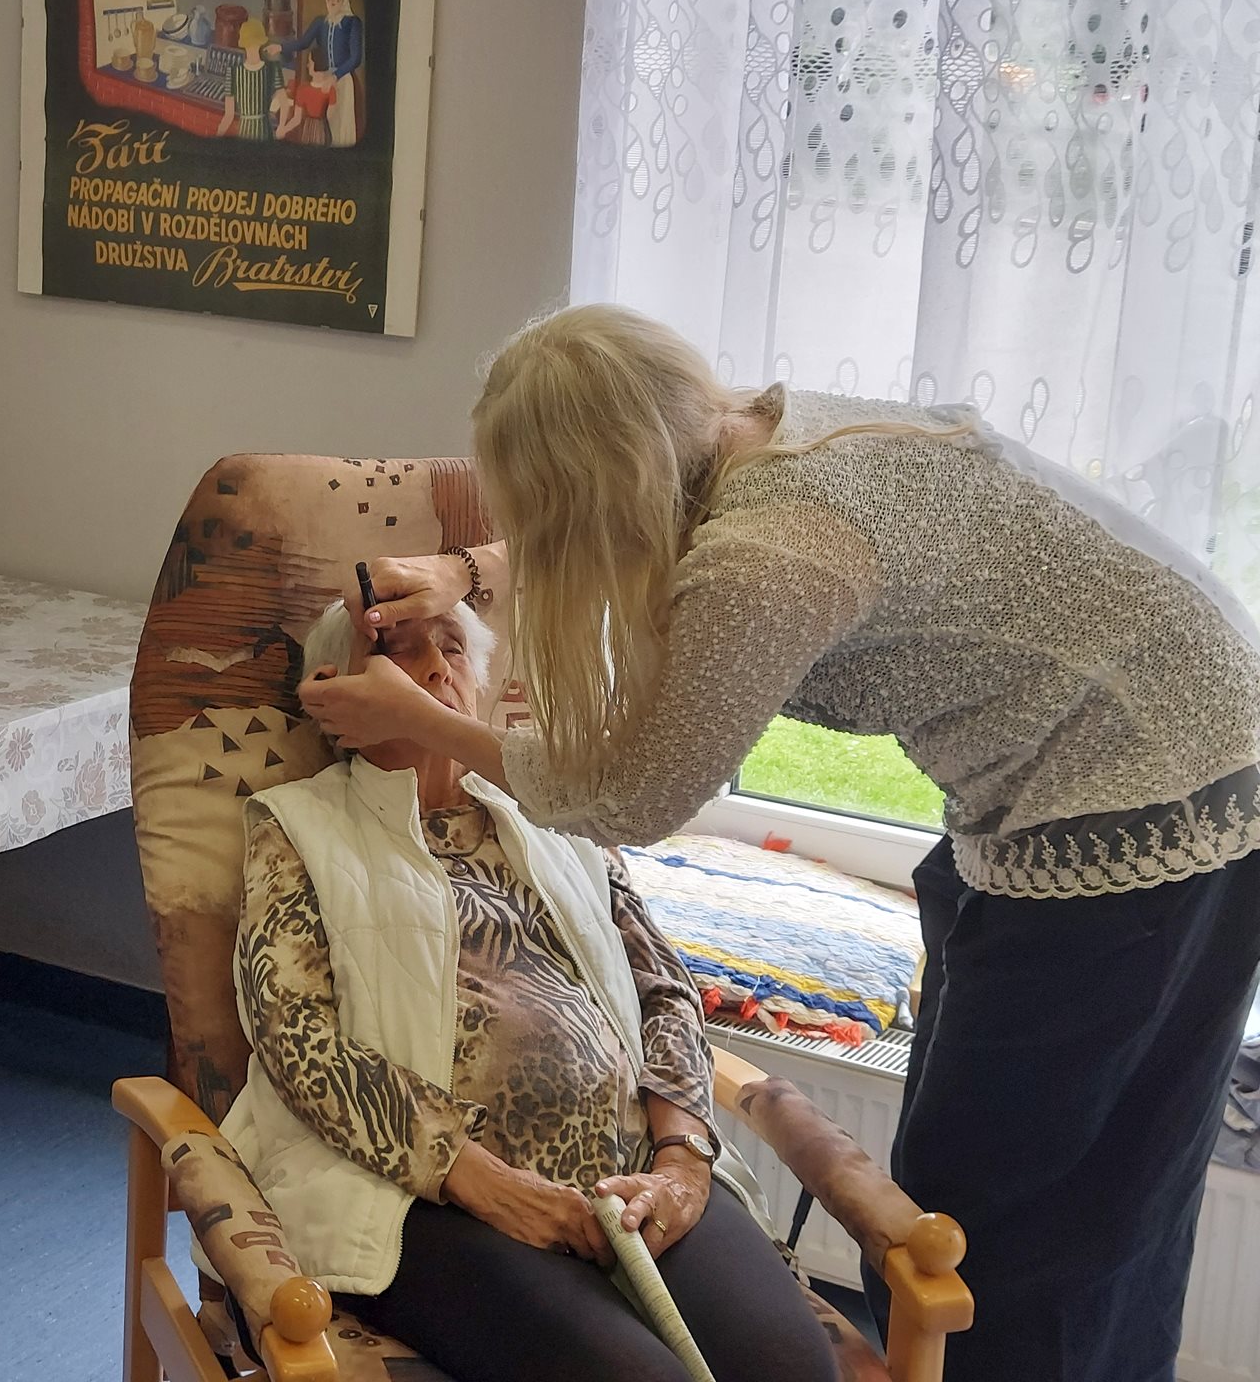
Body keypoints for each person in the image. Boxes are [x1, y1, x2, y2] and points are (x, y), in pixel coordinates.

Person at [296, 302, 1260, 1382]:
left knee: (1036, 1213)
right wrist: (468, 576)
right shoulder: (748, 435)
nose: (436, 671)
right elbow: (624, 509)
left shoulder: (771, 555)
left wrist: (429, 727)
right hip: (1087, 776)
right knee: (1011, 1176)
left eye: (449, 649)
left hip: (1152, 790)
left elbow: (635, 796)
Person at [225, 596, 838, 1382]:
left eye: (453, 647)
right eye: (403, 650)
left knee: (792, 1368)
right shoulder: (297, 825)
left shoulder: (557, 814)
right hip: (426, 1194)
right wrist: (479, 1178)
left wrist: (682, 1159)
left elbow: (667, 990)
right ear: (336, 694)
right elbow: (294, 1036)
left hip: (632, 1168)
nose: (436, 667)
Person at [270, 0, 362, 146]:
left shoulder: (352, 23)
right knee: (324, 126)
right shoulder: (321, 23)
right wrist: (281, 47)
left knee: (340, 126)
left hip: (342, 79)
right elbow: (303, 42)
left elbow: (355, 58)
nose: (332, 0)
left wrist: (335, 76)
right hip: (323, 80)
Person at [217, 18, 277, 142]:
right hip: (260, 133)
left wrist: (217, 138)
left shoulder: (233, 72)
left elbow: (229, 115)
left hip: (251, 133)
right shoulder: (271, 69)